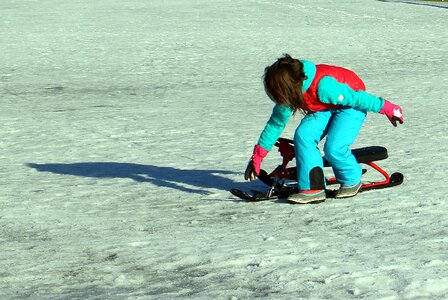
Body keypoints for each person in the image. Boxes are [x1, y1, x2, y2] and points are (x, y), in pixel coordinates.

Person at [244, 54, 404, 204]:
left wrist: (388, 108)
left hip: (351, 105)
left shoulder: (324, 86)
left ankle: (352, 179)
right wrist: (257, 157)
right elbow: (275, 124)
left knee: (334, 147)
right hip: (325, 106)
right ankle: (313, 187)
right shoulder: (289, 95)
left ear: (288, 87)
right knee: (303, 136)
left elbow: (357, 98)